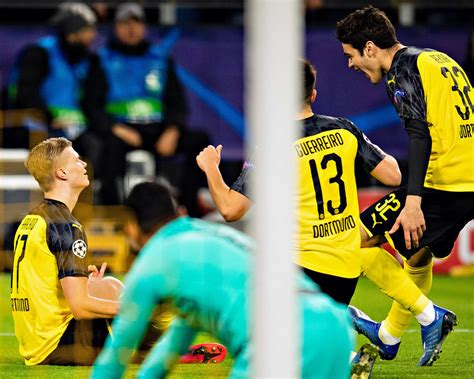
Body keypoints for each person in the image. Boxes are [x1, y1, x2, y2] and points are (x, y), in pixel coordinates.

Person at [198, 59, 458, 366]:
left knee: (254, 318)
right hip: (346, 270)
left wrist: (212, 170)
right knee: (354, 249)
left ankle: (345, 359)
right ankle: (415, 318)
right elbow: (393, 176)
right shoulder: (344, 129)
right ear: (314, 95)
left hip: (306, 270)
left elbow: (230, 209)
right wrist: (359, 142)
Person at [91, 180, 354, 378]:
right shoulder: (209, 234)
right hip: (334, 327)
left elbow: (117, 355)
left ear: (132, 226)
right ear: (179, 213)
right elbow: (174, 342)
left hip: (279, 342)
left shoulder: (153, 261)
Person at [335, 5, 472, 365]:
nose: (350, 65)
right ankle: (389, 336)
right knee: (417, 253)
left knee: (351, 242)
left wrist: (413, 202)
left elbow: (419, 135)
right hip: (467, 181)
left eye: (350, 56)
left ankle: (430, 316)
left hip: (444, 184)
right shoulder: (438, 59)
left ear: (369, 48)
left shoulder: (401, 70)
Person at [84, 2, 210, 214]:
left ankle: (188, 208)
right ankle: (116, 212)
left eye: (136, 23)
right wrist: (115, 128)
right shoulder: (101, 60)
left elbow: (176, 101)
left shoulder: (160, 59)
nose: (131, 29)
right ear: (115, 27)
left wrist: (173, 130)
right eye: (125, 23)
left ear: (144, 27)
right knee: (107, 148)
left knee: (200, 141)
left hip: (157, 130)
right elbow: (91, 105)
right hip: (121, 130)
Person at [11, 137, 123, 365]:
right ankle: (167, 350)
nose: (83, 165)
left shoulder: (32, 219)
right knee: (121, 294)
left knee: (104, 286)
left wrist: (84, 281)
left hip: (35, 342)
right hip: (59, 344)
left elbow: (41, 282)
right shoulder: (66, 226)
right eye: (77, 160)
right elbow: (80, 307)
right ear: (61, 173)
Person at [8, 2, 102, 178]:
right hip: (40, 126)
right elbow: (26, 94)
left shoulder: (88, 60)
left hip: (77, 130)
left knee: (98, 146)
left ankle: (94, 203)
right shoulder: (38, 53)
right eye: (88, 29)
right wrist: (50, 118)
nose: (93, 35)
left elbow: (93, 100)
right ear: (73, 32)